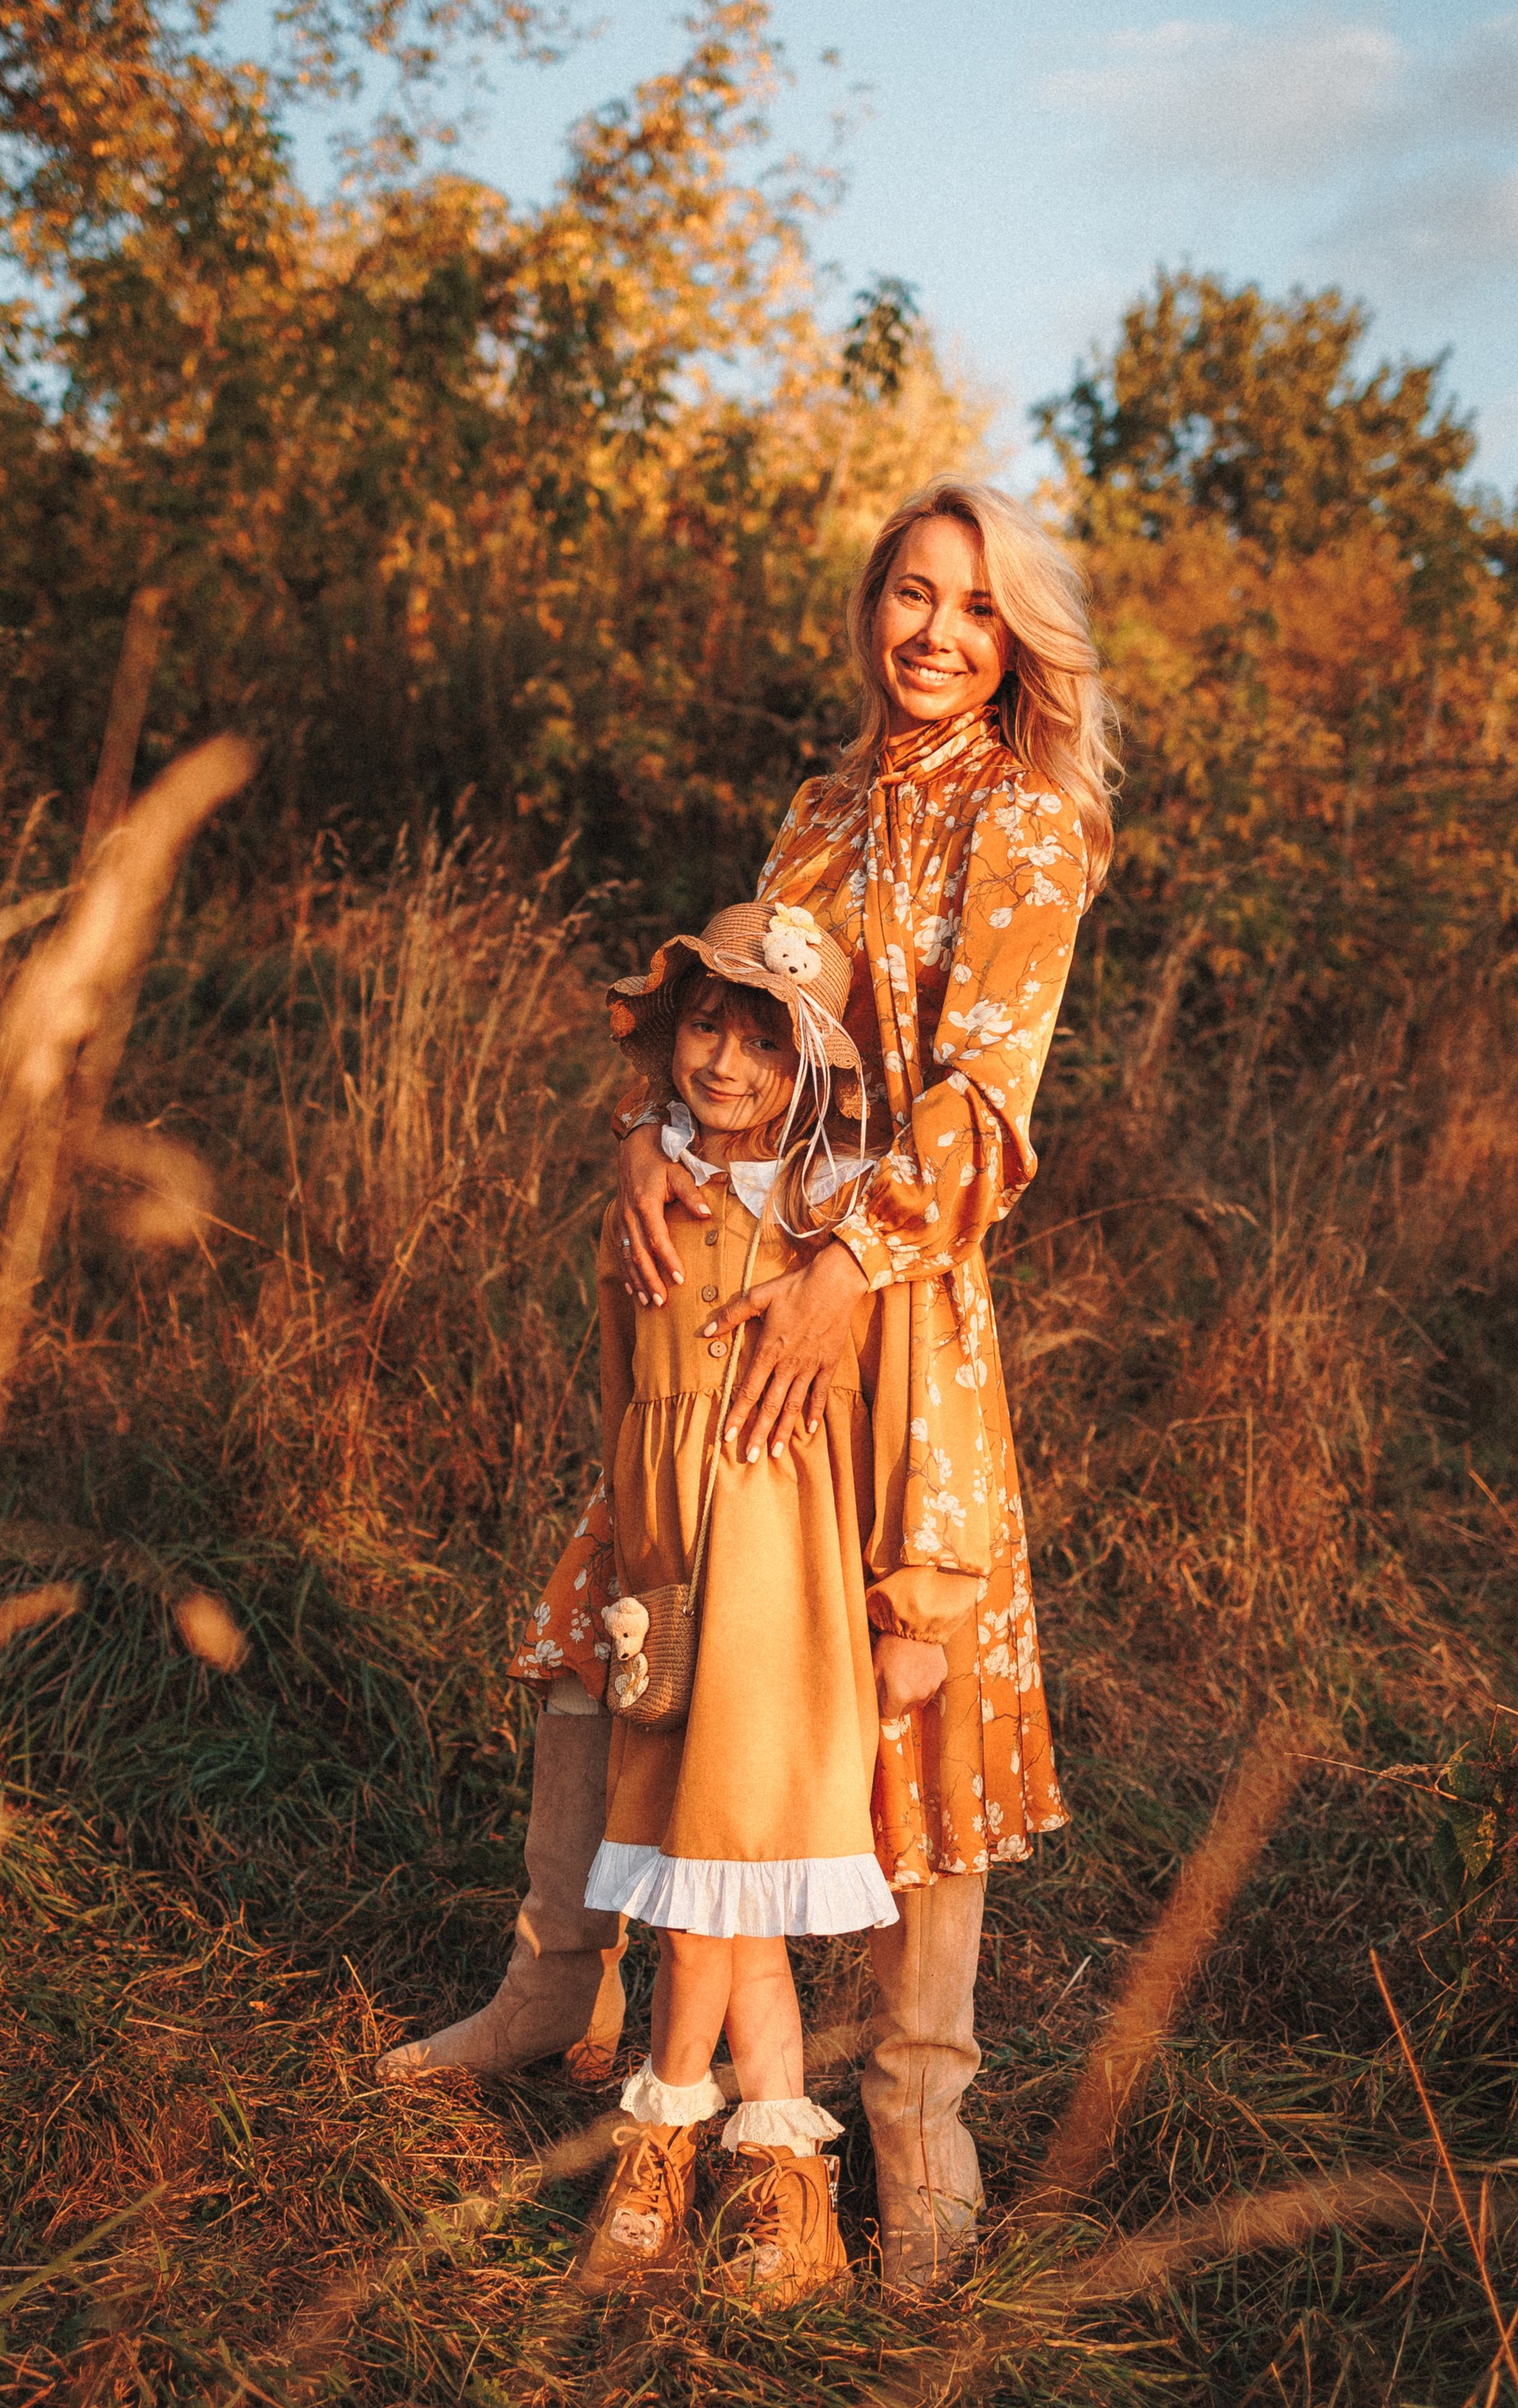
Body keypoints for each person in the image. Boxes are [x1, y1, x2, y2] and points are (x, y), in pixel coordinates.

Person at [383, 476, 1114, 2295]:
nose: (931, 634)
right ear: (870, 609)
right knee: (627, 1604)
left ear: (1018, 638)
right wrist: (648, 1134)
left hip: (891, 1304)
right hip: (726, 1271)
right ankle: (562, 1988)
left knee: (895, 1663)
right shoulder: (819, 803)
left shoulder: (1025, 822)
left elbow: (982, 1099)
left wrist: (845, 1267)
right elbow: (753, 1020)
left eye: (970, 607)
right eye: (906, 596)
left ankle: (912, 2125)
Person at [558, 901, 949, 2302]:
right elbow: (621, 1397)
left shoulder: (842, 1209)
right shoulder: (645, 1189)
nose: (725, 1061)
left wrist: (917, 1602)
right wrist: (623, 1567)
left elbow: (910, 1407)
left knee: (712, 1867)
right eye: (706, 1026)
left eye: (762, 1042)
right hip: (671, 1559)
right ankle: (785, 2194)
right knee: (706, 1876)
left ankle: (658, 2139)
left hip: (787, 1562)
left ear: (810, 1070)